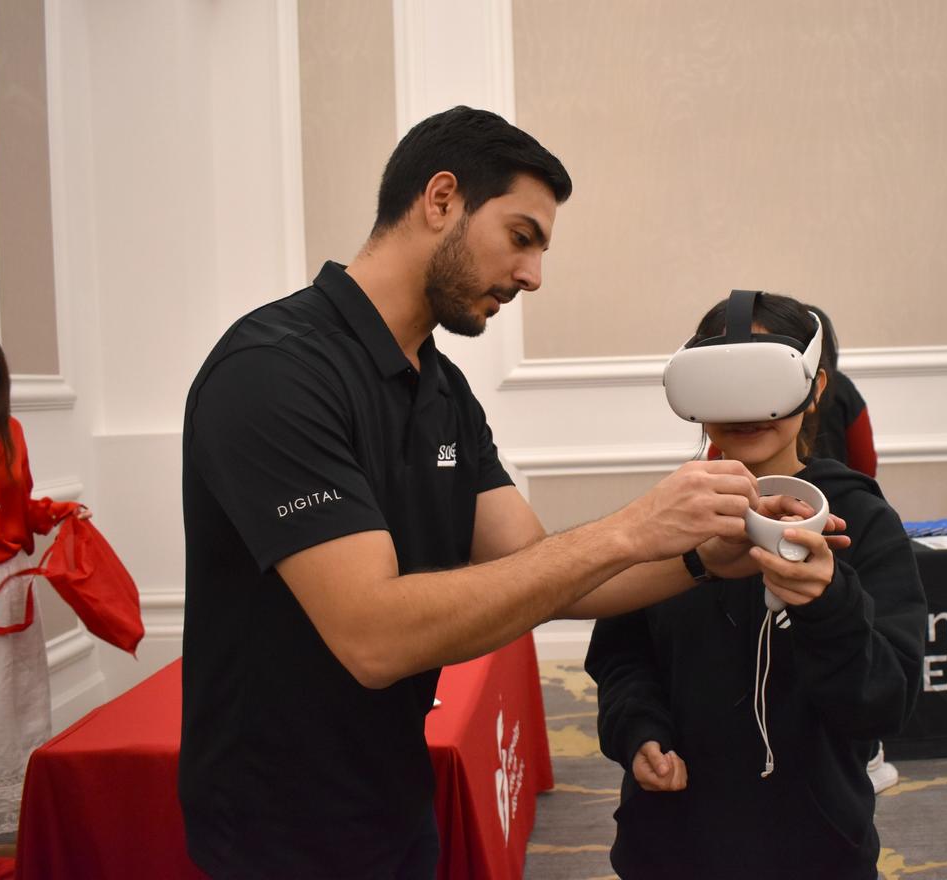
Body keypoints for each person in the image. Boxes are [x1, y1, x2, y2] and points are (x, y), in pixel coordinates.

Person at [178, 106, 800, 879]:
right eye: (521, 236)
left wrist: (705, 559)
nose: (533, 275)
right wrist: (634, 526)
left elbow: (545, 572)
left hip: (392, 794)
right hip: (273, 827)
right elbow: (374, 638)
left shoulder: (441, 390)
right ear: (441, 199)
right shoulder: (273, 373)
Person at [585, 293, 927, 879]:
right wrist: (639, 730)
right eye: (724, 382)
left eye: (764, 380)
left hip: (812, 846)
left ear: (814, 388)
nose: (746, 409)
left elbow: (884, 701)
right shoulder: (665, 518)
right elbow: (621, 655)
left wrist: (829, 603)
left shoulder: (863, 522)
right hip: (672, 842)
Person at [0, 327, 88, 871]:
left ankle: (11, 824)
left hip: (12, 587)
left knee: (17, 702)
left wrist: (57, 513)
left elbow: (20, 505)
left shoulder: (10, 432)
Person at [806, 303, 877, 478]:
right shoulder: (843, 387)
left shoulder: (778, 388)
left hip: (782, 486)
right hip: (837, 485)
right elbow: (866, 466)